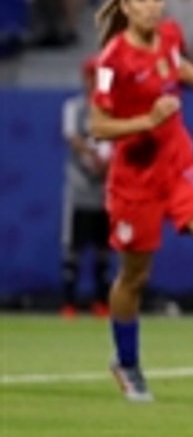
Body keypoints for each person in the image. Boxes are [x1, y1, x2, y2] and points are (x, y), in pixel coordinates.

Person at [89, 0, 193, 401]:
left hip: (178, 164)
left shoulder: (171, 35)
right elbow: (98, 126)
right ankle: (126, 363)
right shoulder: (110, 62)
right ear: (126, 6)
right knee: (135, 278)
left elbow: (176, 65)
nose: (152, 6)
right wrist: (147, 120)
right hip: (134, 179)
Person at [60, 58, 113, 319]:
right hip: (80, 189)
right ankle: (69, 302)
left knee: (103, 247)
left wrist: (108, 161)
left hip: (105, 191)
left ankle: (100, 301)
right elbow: (72, 136)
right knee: (74, 248)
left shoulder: (112, 111)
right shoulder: (74, 108)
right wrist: (94, 155)